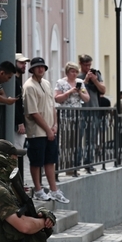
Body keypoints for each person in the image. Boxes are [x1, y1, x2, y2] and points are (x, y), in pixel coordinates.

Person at [23, 57, 69, 203]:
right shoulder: (29, 86)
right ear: (32, 69)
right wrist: (47, 130)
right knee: (36, 161)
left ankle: (54, 190)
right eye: (37, 67)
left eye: (42, 66)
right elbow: (33, 112)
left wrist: (55, 125)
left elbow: (52, 106)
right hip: (37, 131)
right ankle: (38, 189)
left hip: (50, 128)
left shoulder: (47, 83)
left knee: (50, 160)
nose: (40, 69)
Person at [55, 62, 90, 176]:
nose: (74, 74)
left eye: (76, 71)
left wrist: (80, 92)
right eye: (72, 71)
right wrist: (69, 92)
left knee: (76, 142)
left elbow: (87, 98)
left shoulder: (80, 83)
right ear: (67, 72)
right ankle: (65, 166)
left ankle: (73, 166)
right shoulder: (61, 83)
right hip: (65, 116)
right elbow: (57, 98)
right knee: (65, 142)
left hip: (77, 116)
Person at [78, 54, 105, 173]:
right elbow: (78, 88)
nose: (88, 67)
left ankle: (89, 162)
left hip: (93, 109)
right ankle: (77, 163)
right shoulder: (77, 76)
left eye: (89, 64)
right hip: (81, 110)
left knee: (91, 138)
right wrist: (86, 80)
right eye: (85, 65)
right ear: (80, 64)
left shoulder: (96, 74)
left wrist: (94, 79)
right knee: (79, 137)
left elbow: (103, 90)